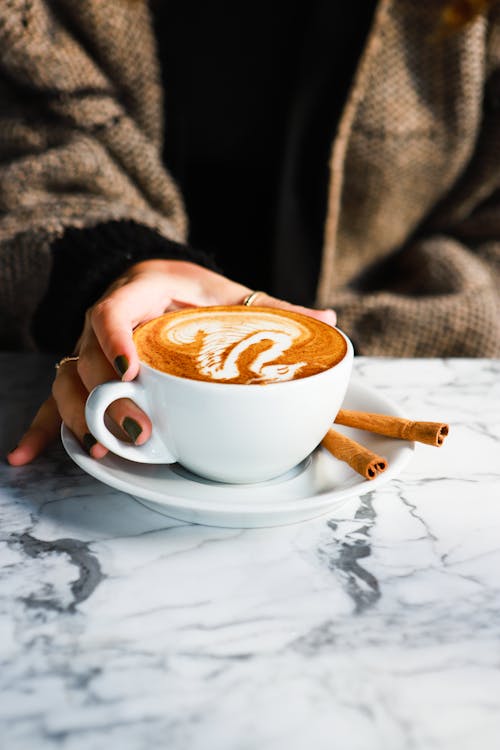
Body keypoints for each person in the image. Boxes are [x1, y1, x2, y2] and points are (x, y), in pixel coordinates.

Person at [3, 0, 500, 467]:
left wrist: (329, 362)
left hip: (441, 382)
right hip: (106, 356)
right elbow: (28, 142)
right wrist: (113, 273)